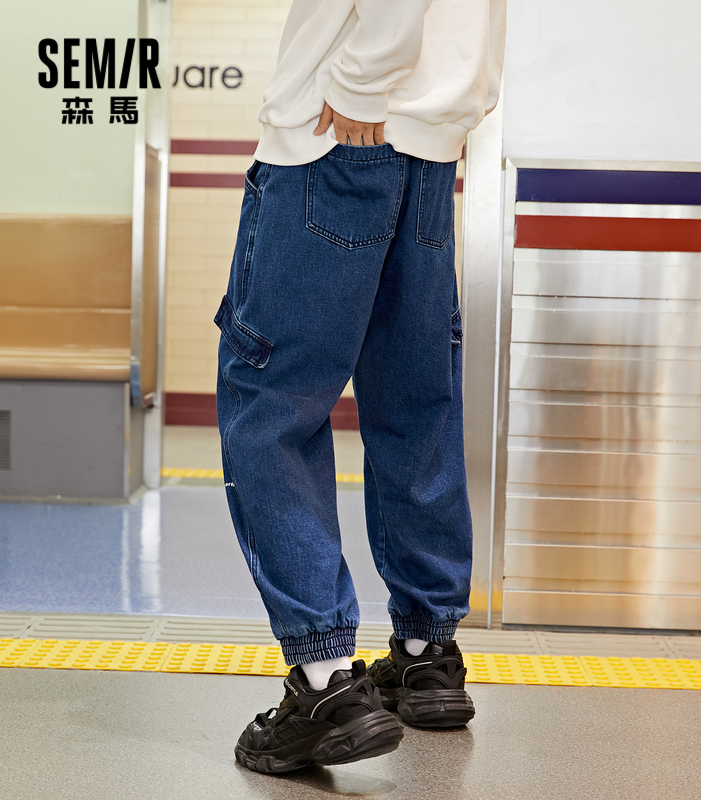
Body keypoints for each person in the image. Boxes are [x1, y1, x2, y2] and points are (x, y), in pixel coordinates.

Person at [215, 0, 506, 774]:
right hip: (430, 146)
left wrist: (362, 82)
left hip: (339, 132)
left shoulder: (358, 93)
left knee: (271, 406)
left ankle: (325, 684)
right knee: (415, 403)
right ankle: (425, 654)